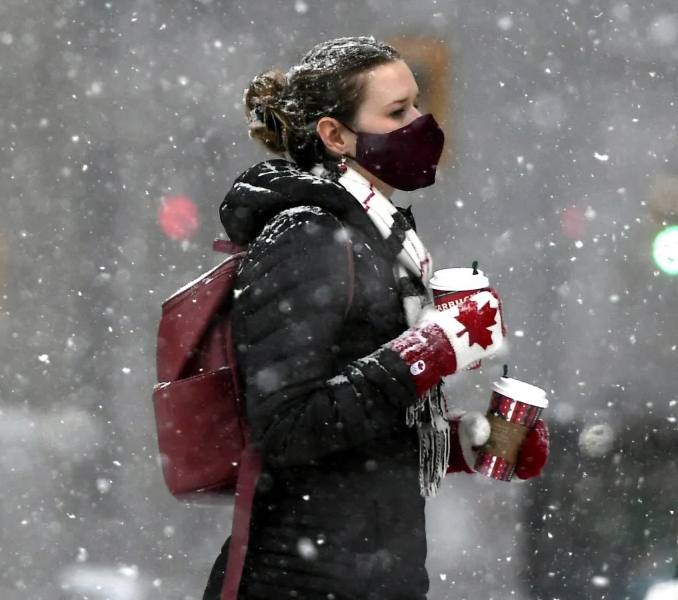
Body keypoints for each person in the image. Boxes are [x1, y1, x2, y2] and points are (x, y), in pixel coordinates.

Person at [205, 37, 549, 600]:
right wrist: (432, 349)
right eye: (397, 112)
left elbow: (362, 430)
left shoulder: (382, 241)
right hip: (302, 580)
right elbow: (287, 426)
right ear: (335, 136)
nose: (422, 122)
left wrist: (469, 444)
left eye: (416, 103)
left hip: (369, 577)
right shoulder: (307, 237)